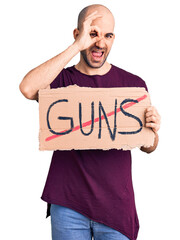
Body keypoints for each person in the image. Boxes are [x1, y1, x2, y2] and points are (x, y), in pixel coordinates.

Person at [19, 4, 161, 240]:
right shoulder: (61, 81)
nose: (100, 43)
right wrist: (76, 47)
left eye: (108, 35)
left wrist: (154, 131)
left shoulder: (133, 85)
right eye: (93, 34)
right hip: (68, 205)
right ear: (78, 34)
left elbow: (148, 146)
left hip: (117, 207)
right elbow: (27, 88)